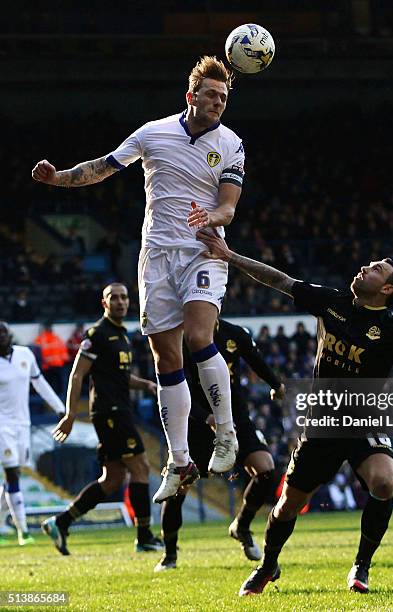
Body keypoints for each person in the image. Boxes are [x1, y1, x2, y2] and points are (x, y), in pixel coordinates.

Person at [196, 230, 393, 596]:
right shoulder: (331, 302)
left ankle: (361, 566)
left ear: (388, 289)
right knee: (286, 507)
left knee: (384, 482)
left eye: (376, 268)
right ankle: (268, 565)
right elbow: (279, 280)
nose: (365, 268)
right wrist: (229, 256)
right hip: (323, 421)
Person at [32, 55, 245, 502]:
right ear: (191, 96)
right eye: (211, 94)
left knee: (199, 336)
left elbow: (229, 205)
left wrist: (213, 215)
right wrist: (60, 180)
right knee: (166, 359)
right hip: (156, 258)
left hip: (204, 250)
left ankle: (226, 434)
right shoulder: (152, 133)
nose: (218, 102)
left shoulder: (231, 144)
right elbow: (104, 166)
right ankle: (180, 459)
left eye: (224, 97)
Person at [41, 284, 162, 555]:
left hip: (119, 410)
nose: (120, 302)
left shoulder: (122, 336)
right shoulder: (96, 334)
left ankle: (60, 522)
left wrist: (147, 385)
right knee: (141, 467)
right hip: (110, 412)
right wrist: (70, 414)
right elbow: (76, 375)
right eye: (114, 298)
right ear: (104, 303)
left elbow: (120, 377)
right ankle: (144, 536)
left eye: (124, 297)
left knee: (113, 478)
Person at [156, 319, 285, 571]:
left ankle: (242, 526)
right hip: (196, 420)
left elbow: (256, 360)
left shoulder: (234, 334)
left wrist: (276, 384)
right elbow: (184, 387)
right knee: (181, 486)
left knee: (265, 468)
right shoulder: (182, 339)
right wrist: (207, 417)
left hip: (234, 415)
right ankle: (169, 554)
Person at [0, 321, 65, 545]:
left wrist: (60, 408)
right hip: (2, 427)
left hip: (22, 424)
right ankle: (23, 532)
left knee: (15, 473)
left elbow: (40, 383)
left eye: (3, 333)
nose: (1, 337)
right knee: (12, 474)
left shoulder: (25, 355)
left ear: (10, 336)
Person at [33, 321, 69, 396]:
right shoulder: (56, 337)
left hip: (47, 367)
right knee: (60, 385)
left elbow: (35, 353)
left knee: (48, 386)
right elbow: (64, 354)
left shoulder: (40, 339)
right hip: (58, 366)